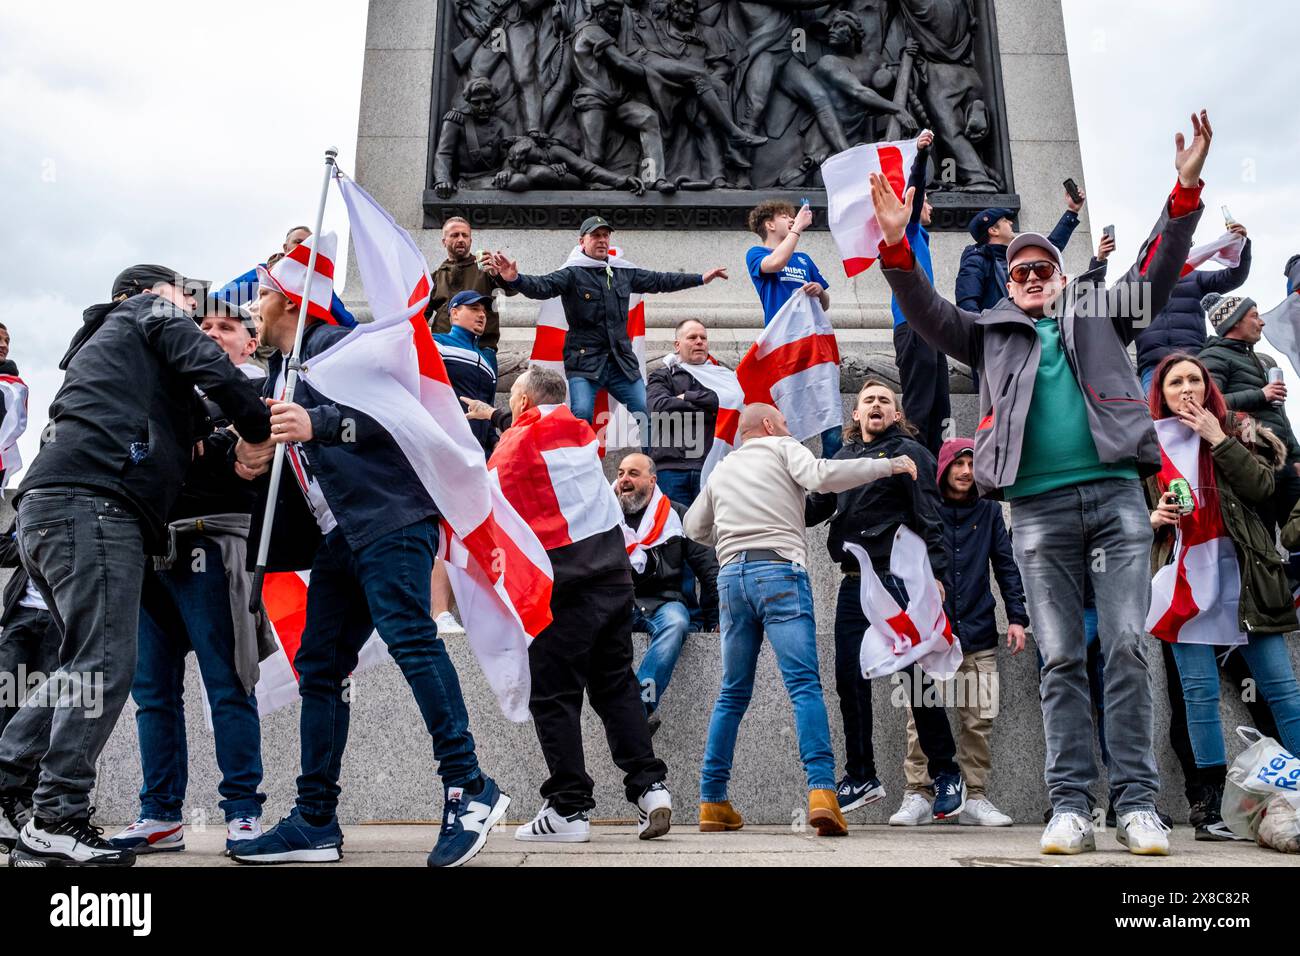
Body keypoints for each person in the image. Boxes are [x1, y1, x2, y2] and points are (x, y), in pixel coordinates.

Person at [870, 109, 1216, 857]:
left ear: (1061, 278)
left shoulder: (1099, 311)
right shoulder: (985, 330)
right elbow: (924, 310)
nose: (1030, 278)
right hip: (1036, 510)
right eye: (1020, 270)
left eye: (1042, 269)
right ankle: (1068, 805)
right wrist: (897, 247)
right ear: (1009, 282)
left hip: (1119, 500)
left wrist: (1182, 194)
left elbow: (1156, 270)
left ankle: (1137, 806)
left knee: (1124, 645)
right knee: (1061, 656)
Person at [229, 249, 510, 869]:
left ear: (289, 301)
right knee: (320, 665)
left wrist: (320, 422)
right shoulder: (286, 368)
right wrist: (257, 457)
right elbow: (300, 449)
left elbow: (399, 418)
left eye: (262, 293)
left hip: (390, 520)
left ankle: (470, 789)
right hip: (341, 536)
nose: (252, 303)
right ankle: (315, 820)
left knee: (411, 637)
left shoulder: (342, 344)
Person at [0, 264, 271, 867]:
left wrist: (218, 432)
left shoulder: (106, 352)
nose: (195, 315)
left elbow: (175, 419)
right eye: (186, 299)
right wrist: (253, 426)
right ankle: (58, 818)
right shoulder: (151, 313)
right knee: (101, 667)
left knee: (79, 667)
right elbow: (210, 370)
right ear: (155, 293)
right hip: (96, 508)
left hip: (51, 509)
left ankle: (7, 781)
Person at [684, 402, 917, 837]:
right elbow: (823, 477)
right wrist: (887, 466)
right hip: (780, 572)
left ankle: (712, 801)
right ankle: (822, 794)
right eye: (787, 424)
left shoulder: (721, 469)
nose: (791, 430)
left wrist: (735, 533)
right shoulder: (781, 447)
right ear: (770, 426)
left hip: (732, 578)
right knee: (804, 686)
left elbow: (694, 526)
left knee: (732, 693)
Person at [109, 297, 272, 857]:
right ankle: (159, 813)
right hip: (150, 549)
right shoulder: (163, 388)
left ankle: (244, 812)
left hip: (211, 546)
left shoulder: (262, 392)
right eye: (202, 326)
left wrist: (221, 442)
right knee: (152, 693)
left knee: (228, 686)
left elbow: (247, 458)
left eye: (226, 327)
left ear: (250, 344)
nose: (211, 333)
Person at [488, 366, 672, 843]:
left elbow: (485, 501)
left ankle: (569, 810)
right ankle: (650, 787)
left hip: (563, 586)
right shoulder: (581, 436)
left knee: (554, 696)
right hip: (613, 580)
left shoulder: (518, 443)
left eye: (513, 400)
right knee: (616, 687)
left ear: (525, 402)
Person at [1146, 352, 1300, 840]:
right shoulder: (1143, 443)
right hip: (1185, 577)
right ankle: (1208, 807)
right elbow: (1125, 512)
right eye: (1176, 383)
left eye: (1195, 379)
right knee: (1199, 694)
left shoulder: (1237, 428)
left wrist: (1217, 437)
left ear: (1209, 387)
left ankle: (1297, 787)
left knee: (1282, 688)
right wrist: (1151, 520)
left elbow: (1260, 488)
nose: (1187, 388)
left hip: (1246, 574)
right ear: (1162, 394)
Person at [805, 381, 965, 823]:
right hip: (854, 581)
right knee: (847, 678)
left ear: (896, 415)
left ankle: (946, 772)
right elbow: (813, 508)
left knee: (914, 677)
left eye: (885, 401)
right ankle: (861, 775)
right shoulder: (841, 459)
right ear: (855, 415)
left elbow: (930, 515)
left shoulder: (910, 454)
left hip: (896, 579)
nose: (876, 405)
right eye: (867, 400)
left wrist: (935, 576)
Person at [898, 437, 1028, 827]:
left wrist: (1018, 617)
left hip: (979, 632)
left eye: (972, 464)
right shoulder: (924, 508)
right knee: (919, 719)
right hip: (930, 637)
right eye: (958, 464)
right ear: (943, 469)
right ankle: (918, 794)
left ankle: (975, 797)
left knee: (978, 718)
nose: (966, 472)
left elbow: (1006, 566)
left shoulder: (989, 512)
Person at [486, 218, 727, 425]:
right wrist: (515, 279)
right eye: (596, 236)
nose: (602, 240)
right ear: (582, 241)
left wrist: (700, 279)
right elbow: (542, 286)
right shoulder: (571, 273)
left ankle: (654, 473)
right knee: (580, 415)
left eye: (605, 236)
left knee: (648, 414)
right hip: (584, 363)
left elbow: (660, 280)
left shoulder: (623, 271)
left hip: (621, 364)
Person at [613, 452, 719, 734]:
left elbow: (709, 568)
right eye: (621, 473)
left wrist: (717, 617)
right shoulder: (605, 518)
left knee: (676, 623)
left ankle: (639, 705)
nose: (624, 480)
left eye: (633, 474)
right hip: (618, 603)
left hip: (664, 603)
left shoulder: (678, 515)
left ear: (652, 480)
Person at [1198, 293, 1300, 549]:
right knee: (1264, 541)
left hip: (1285, 464)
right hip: (1254, 463)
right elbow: (1210, 405)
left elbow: (1280, 416)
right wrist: (1260, 394)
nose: (1262, 322)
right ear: (1234, 322)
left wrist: (1296, 457)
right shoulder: (1213, 358)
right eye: (1254, 316)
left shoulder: (1259, 359)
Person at [430, 289, 501, 634]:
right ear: (453, 313)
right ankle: (438, 611)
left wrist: (491, 451)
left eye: (484, 310)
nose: (480, 314)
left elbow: (486, 410)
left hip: (476, 456)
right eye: (472, 308)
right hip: (441, 450)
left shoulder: (489, 358)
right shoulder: (436, 342)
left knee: (466, 534)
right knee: (446, 530)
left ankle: (451, 610)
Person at [744, 199, 838, 456]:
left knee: (831, 419)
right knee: (791, 418)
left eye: (792, 217)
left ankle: (829, 487)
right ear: (770, 224)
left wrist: (819, 292)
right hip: (784, 347)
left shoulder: (804, 259)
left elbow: (825, 303)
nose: (791, 220)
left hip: (813, 346)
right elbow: (773, 265)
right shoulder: (756, 254)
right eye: (786, 216)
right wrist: (797, 230)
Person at [890, 131, 951, 456]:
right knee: (919, 409)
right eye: (927, 201)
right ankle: (915, 473)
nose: (931, 207)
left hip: (931, 330)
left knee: (941, 409)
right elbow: (914, 193)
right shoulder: (908, 230)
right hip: (912, 327)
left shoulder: (920, 237)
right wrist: (921, 154)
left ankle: (938, 474)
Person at [1135, 223, 1251, 392]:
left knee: (1198, 414)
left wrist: (1242, 246)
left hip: (1193, 360)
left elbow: (1234, 277)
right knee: (1156, 417)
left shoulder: (1194, 278)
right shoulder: (1133, 287)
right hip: (1153, 366)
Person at [0, 518, 58, 852]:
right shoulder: (29, 504)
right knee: (5, 700)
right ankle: (7, 798)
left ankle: (23, 803)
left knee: (43, 710)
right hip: (20, 617)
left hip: (59, 618)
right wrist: (33, 544)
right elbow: (4, 548)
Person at [954, 187, 1085, 316]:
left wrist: (1072, 211)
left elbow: (1050, 247)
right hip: (1000, 333)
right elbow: (967, 304)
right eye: (1005, 221)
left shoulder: (1015, 257)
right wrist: (983, 334)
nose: (1011, 223)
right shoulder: (976, 260)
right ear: (993, 230)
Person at [645, 318, 722, 508]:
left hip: (711, 466)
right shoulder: (662, 376)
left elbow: (720, 402)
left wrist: (685, 396)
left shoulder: (722, 376)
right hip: (670, 469)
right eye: (692, 337)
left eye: (703, 338)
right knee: (675, 532)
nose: (699, 342)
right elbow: (658, 406)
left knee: (711, 534)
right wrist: (704, 408)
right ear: (677, 345)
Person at [211, 226, 355, 326]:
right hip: (263, 349)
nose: (303, 247)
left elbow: (343, 318)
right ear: (285, 248)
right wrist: (198, 301)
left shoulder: (317, 283)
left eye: (308, 244)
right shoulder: (264, 273)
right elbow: (225, 296)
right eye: (298, 242)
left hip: (301, 352)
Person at [426, 217, 517, 352]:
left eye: (465, 235)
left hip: (482, 348)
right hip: (445, 349)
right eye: (455, 235)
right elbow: (420, 317)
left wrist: (499, 275)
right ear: (444, 242)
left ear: (470, 240)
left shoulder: (487, 269)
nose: (461, 239)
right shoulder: (435, 278)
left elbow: (510, 290)